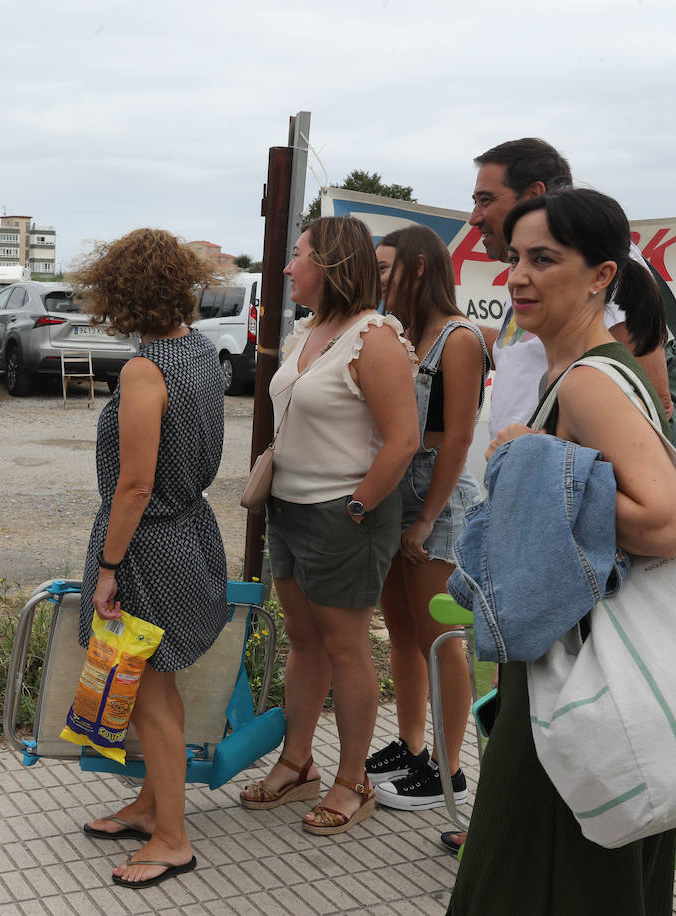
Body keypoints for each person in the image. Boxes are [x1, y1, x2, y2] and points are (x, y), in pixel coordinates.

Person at [447, 188, 676, 914]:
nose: (518, 276)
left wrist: (535, 459)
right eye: (514, 257)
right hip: (577, 665)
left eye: (544, 259)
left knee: (534, 871)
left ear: (602, 275)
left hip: (577, 675)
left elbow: (667, 522)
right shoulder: (575, 371)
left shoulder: (587, 382)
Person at [238, 216, 418, 836]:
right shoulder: (309, 332)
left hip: (343, 514)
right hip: (289, 509)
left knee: (345, 648)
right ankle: (298, 762)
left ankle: (353, 780)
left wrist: (360, 507)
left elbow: (403, 440)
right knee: (304, 640)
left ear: (332, 264)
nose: (288, 269)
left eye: (298, 256)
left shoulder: (376, 338)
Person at [73, 229, 227, 890]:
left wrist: (108, 569)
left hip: (146, 547)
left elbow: (135, 485)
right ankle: (150, 806)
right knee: (151, 687)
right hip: (189, 531)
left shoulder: (146, 368)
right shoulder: (202, 351)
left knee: (150, 694)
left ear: (122, 294)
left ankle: (172, 838)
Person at [366, 226, 488, 813]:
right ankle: (412, 746)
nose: (380, 277)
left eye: (387, 266)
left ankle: (449, 767)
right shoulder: (401, 333)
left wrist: (426, 519)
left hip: (435, 495)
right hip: (397, 490)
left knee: (442, 639)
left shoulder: (459, 339)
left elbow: (460, 437)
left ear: (418, 266)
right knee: (403, 631)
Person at [471, 139, 671, 435]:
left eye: (486, 200)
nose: (475, 216)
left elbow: (651, 406)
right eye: (516, 260)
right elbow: (518, 356)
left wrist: (548, 457)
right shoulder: (540, 274)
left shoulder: (594, 258)